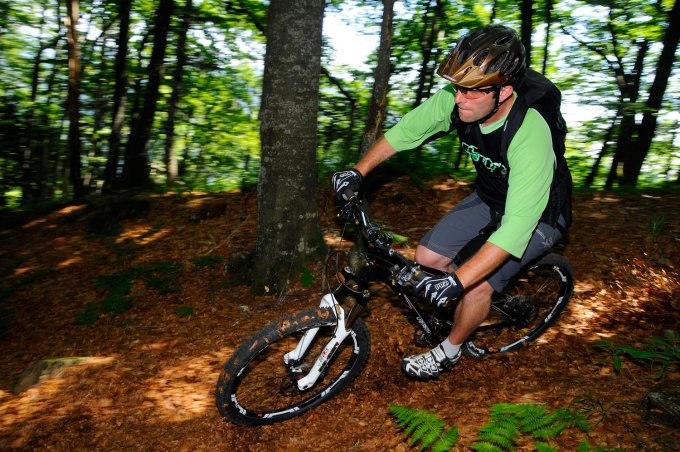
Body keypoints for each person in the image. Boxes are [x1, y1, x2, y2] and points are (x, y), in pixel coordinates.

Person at [332, 24, 572, 380]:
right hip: (492, 195)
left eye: (472, 92)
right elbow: (406, 132)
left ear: (504, 90)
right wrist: (358, 171)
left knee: (476, 284)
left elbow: (518, 227)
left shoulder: (529, 132)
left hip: (541, 215)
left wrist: (458, 282)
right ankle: (471, 307)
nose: (459, 98)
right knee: (428, 258)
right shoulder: (458, 97)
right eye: (458, 87)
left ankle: (451, 350)